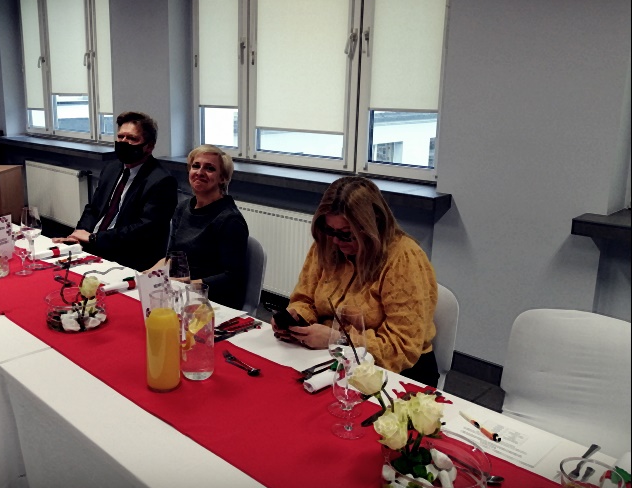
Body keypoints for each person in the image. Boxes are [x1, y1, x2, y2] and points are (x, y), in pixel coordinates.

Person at [271, 176, 439, 386]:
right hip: (332, 359)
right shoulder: (327, 245)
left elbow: (402, 347)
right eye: (330, 230)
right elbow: (305, 299)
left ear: (372, 227)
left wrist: (338, 340)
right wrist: (297, 318)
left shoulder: (403, 258)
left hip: (397, 372)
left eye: (346, 234)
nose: (335, 240)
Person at [52, 111, 178, 271]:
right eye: (121, 137)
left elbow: (144, 229)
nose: (124, 142)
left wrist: (94, 238)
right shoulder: (112, 168)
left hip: (127, 256)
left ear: (149, 146)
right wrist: (79, 234)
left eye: (132, 138)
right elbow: (93, 209)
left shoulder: (162, 181)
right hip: (94, 245)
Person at [145, 145, 249, 310]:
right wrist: (145, 277)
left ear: (222, 178)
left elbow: (233, 278)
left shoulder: (230, 220)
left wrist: (189, 286)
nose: (200, 172)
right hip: (181, 291)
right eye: (196, 166)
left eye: (210, 168)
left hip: (212, 300)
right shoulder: (183, 207)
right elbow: (171, 258)